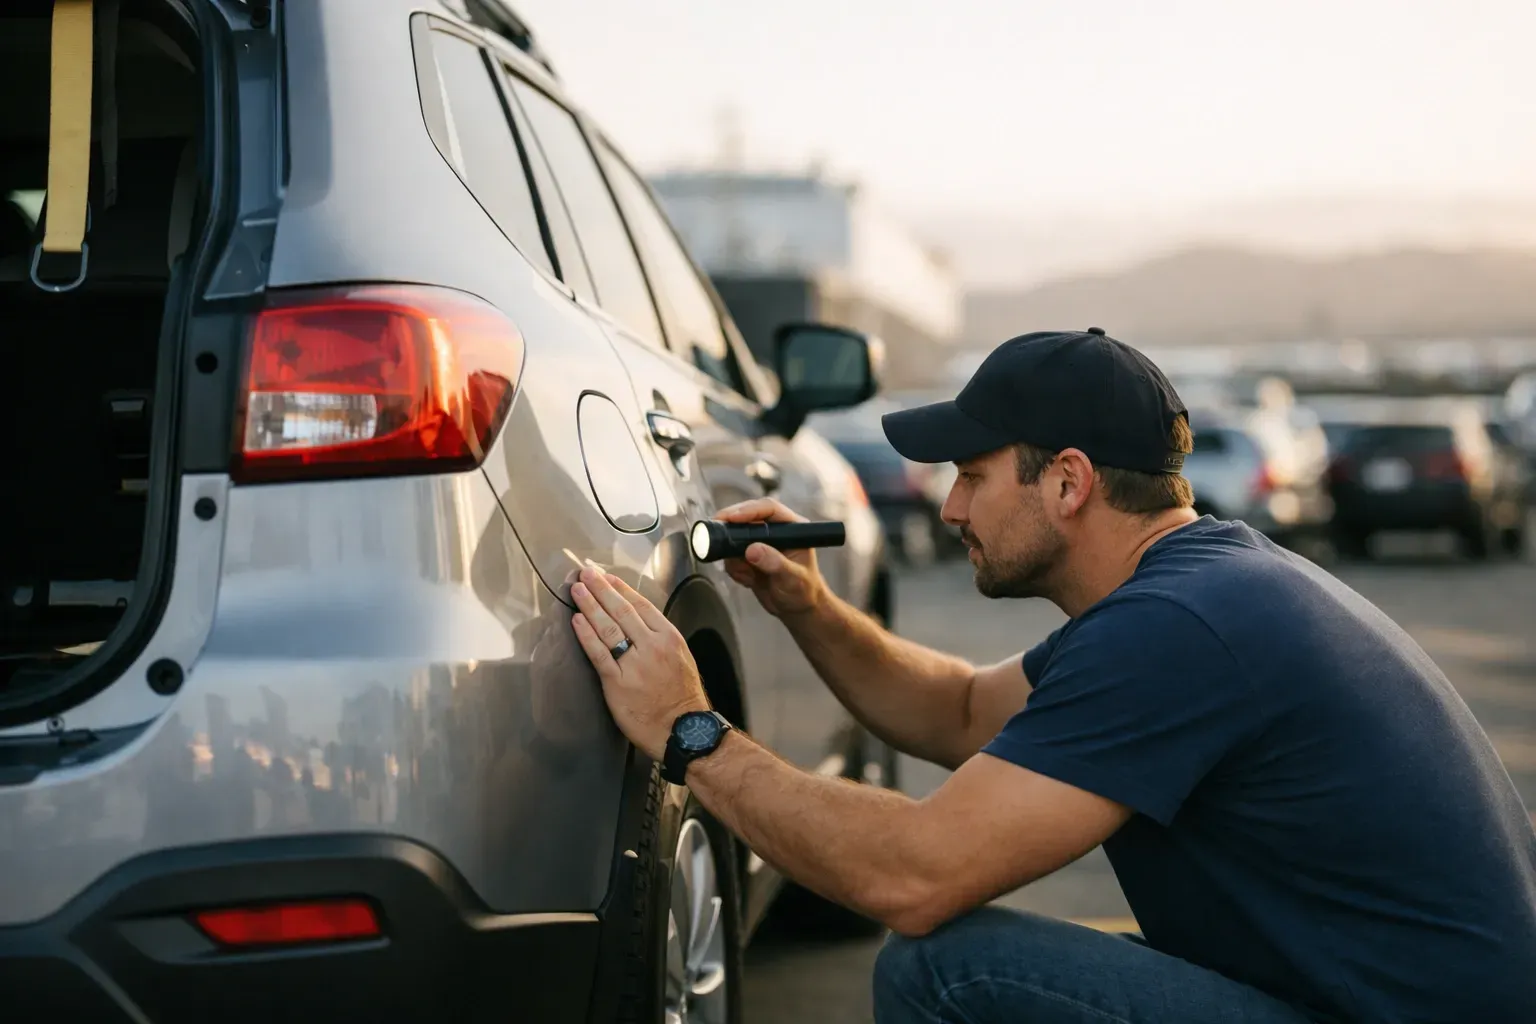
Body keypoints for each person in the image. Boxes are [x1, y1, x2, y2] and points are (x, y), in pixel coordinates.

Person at [567, 328, 1536, 1024]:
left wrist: (691, 732)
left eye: (973, 476)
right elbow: (955, 710)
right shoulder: (1198, 589)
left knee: (948, 969)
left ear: (1068, 482)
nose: (949, 508)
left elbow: (913, 876)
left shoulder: (1175, 630)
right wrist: (808, 606)